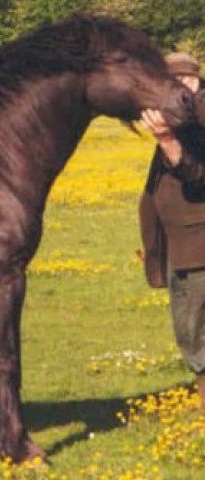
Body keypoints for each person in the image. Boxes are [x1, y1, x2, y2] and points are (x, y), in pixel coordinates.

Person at [139, 52, 205, 407]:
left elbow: (197, 176)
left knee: (193, 327)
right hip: (183, 243)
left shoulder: (197, 124)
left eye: (189, 82)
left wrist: (167, 141)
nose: (183, 90)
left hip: (198, 245)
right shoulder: (185, 121)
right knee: (191, 325)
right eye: (175, 83)